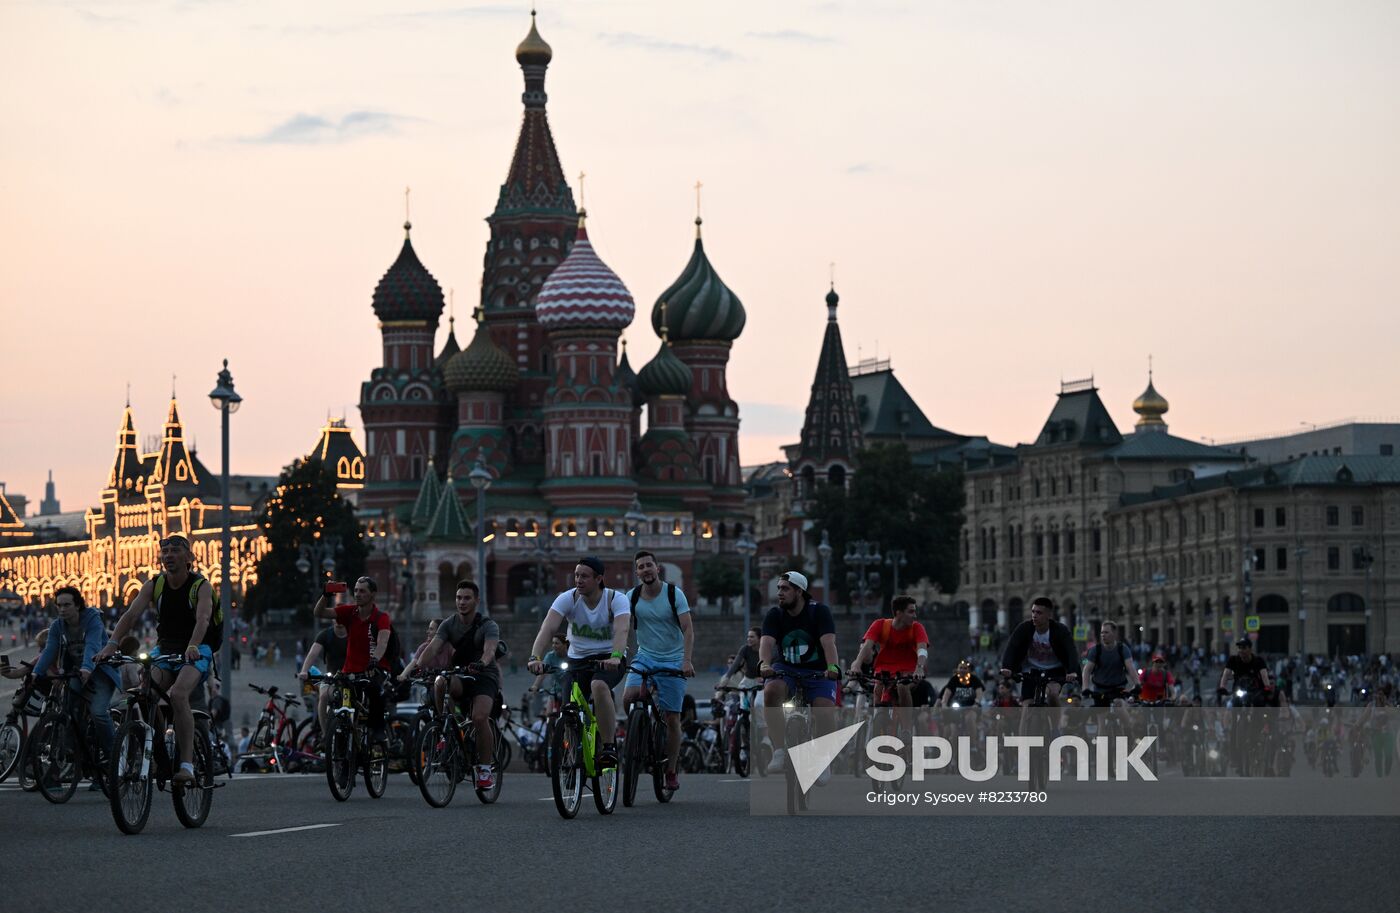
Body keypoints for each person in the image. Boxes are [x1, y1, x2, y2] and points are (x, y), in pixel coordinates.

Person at [95, 535, 214, 785]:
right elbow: (131, 615)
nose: (168, 555)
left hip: (197, 648)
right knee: (146, 693)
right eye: (165, 551)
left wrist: (193, 644)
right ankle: (160, 754)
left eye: (175, 551)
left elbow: (203, 619)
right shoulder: (154, 584)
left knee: (179, 695)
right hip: (165, 649)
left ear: (189, 557)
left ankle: (186, 765)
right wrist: (112, 643)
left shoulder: (200, 585)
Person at [526, 557, 629, 769]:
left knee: (598, 686)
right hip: (577, 661)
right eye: (576, 575)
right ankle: (573, 758)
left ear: (599, 579)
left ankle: (608, 747)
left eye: (584, 576)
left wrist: (616, 656)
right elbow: (548, 628)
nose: (578, 580)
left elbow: (622, 629)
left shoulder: (615, 599)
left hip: (608, 658)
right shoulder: (568, 598)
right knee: (568, 710)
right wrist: (535, 657)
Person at [399, 580, 502, 790]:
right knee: (440, 682)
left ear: (476, 601)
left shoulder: (488, 625)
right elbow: (433, 647)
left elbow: (490, 651)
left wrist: (481, 663)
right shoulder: (448, 624)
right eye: (458, 598)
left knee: (479, 718)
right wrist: (419, 666)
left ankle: (484, 770)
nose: (461, 602)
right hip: (459, 673)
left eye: (466, 598)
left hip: (484, 675)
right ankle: (444, 726)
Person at [14, 587, 121, 762]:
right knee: (68, 709)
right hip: (78, 672)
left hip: (101, 671)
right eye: (59, 605)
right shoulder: (57, 625)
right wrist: (36, 673)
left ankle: (113, 757)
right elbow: (49, 650)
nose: (62, 609)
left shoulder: (92, 620)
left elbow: (92, 646)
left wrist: (87, 668)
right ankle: (74, 750)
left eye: (67, 605)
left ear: (77, 605)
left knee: (98, 712)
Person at [620, 550, 695, 792]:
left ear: (657, 567)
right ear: (637, 572)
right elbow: (620, 628)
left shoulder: (674, 594)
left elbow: (688, 629)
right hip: (645, 656)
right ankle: (638, 734)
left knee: (672, 718)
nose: (645, 570)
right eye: (640, 567)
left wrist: (686, 661)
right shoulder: (631, 597)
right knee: (628, 697)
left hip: (673, 660)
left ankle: (671, 769)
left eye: (649, 565)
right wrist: (616, 654)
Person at [759, 571, 839, 777]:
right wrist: (764, 664)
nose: (779, 593)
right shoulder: (775, 614)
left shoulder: (819, 611)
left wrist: (832, 668)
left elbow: (828, 642)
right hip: (786, 668)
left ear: (799, 591)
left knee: (825, 712)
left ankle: (822, 759)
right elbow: (766, 642)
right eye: (778, 588)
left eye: (785, 588)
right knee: (770, 692)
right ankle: (778, 750)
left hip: (818, 670)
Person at [312, 577, 392, 743]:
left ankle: (377, 729)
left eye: (362, 591)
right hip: (349, 671)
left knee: (374, 691)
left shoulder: (381, 617)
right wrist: (325, 595)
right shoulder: (349, 612)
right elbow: (319, 613)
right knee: (335, 699)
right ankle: (336, 736)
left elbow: (383, 641)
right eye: (356, 590)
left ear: (373, 594)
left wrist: (375, 659)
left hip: (372, 669)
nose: (357, 594)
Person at [848, 595, 928, 708]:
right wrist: (857, 664)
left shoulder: (917, 628)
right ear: (898, 613)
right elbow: (867, 646)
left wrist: (919, 668)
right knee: (878, 692)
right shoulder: (880, 625)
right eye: (911, 612)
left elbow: (922, 650)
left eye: (914, 611)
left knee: (902, 687)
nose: (915, 616)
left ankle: (906, 725)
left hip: (910, 671)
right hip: (884, 671)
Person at [999, 596, 1079, 706]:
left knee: (1052, 695)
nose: (1034, 615)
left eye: (1039, 613)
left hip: (1055, 670)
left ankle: (1056, 723)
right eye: (1033, 612)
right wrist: (1007, 667)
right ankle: (1023, 724)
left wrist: (1072, 670)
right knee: (1026, 704)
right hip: (1031, 669)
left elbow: (1071, 651)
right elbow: (1012, 647)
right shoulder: (1024, 628)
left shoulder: (1060, 630)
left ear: (1049, 615)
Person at [297, 620, 349, 743]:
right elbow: (313, 653)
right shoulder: (326, 635)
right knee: (324, 695)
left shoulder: (355, 633)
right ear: (332, 619)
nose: (339, 621)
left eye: (342, 617)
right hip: (332, 678)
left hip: (351, 677)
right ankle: (325, 734)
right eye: (336, 617)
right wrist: (304, 670)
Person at [1082, 621, 1141, 705]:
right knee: (1101, 715)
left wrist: (1137, 684)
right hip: (1100, 688)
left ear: (1114, 633)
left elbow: (1130, 668)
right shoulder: (1096, 650)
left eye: (1106, 632)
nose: (1103, 635)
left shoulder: (1122, 649)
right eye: (1102, 632)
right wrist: (1085, 687)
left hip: (1118, 687)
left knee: (1119, 705)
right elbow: (1087, 670)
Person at [1219, 638, 1272, 706]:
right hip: (1238, 689)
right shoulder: (1233, 660)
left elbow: (1264, 675)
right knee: (1234, 704)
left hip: (1255, 691)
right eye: (1239, 648)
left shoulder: (1258, 660)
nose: (1241, 650)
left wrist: (1267, 687)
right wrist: (1222, 687)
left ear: (1250, 649)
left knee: (1259, 704)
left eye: (1244, 648)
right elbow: (1226, 674)